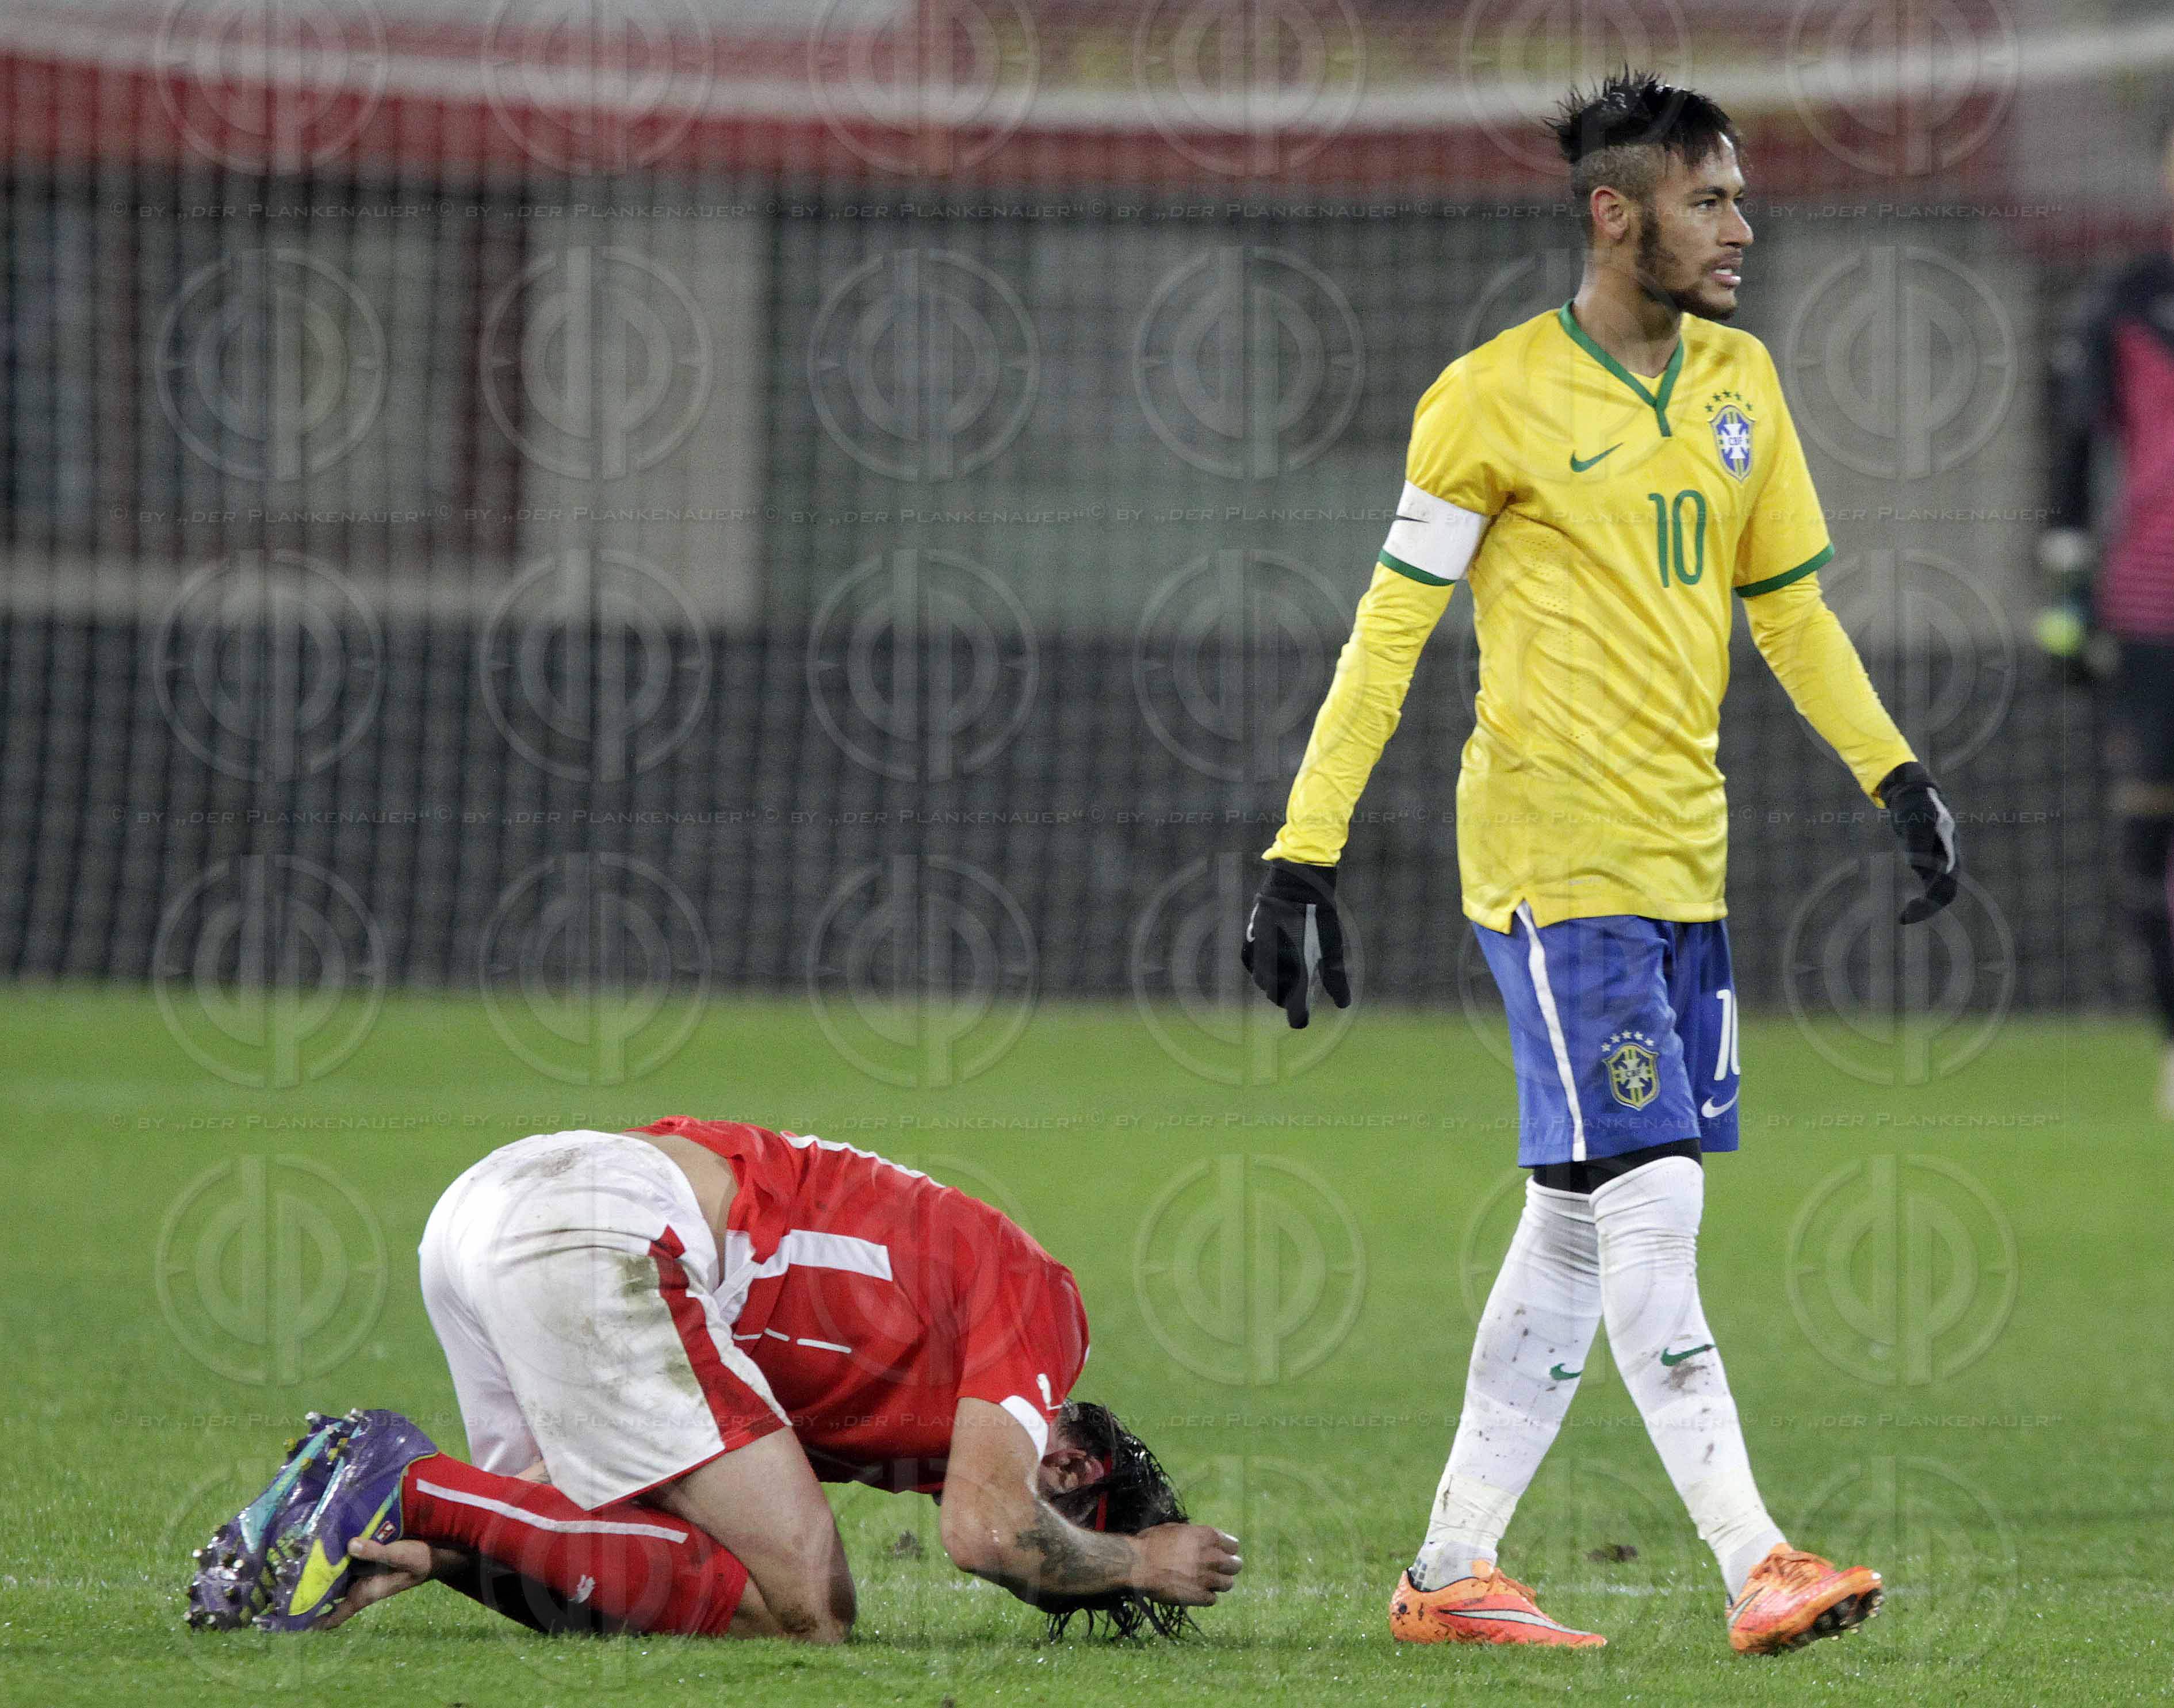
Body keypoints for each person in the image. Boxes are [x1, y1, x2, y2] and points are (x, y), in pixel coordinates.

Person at [1240, 72, 1959, 1655]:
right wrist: (1305, 847)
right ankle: (1754, 1557)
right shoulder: (1486, 397)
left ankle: (1447, 1569)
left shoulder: (1742, 386)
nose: (1740, 226)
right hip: (1550, 863)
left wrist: (1893, 774)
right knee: (1653, 1204)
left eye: (1740, 197)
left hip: (1679, 865)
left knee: (1574, 1218)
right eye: (1709, 199)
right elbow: (1388, 632)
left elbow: (1787, 612)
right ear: (1613, 212)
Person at [187, 1119, 1240, 1641]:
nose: (1046, 1570)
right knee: (813, 1608)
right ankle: (409, 1479)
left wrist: (456, 1554)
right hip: (602, 1222)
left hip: (495, 1204)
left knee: (657, 1574)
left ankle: (379, 1519)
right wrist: (1137, 1561)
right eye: (1076, 1524)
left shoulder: (883, 1399)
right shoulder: (1044, 1301)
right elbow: (991, 1532)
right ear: (1069, 1458)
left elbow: (615, 1548)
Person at [2041, 108, 2174, 1116]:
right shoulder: (2127, 301)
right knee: (2146, 838)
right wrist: (2071, 583)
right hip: (2151, 609)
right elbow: (2074, 450)